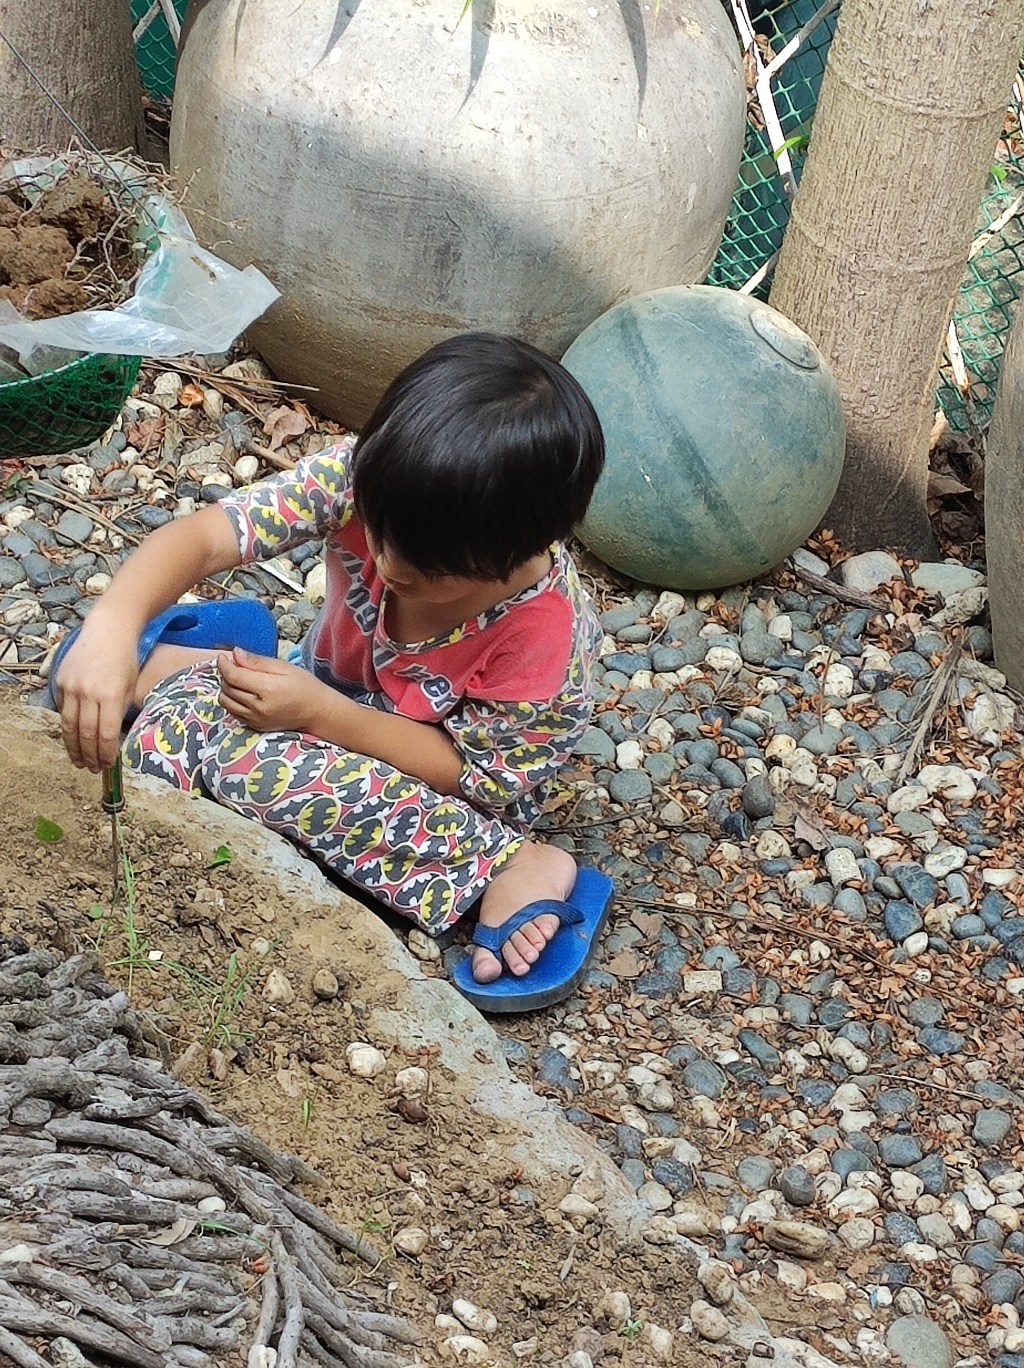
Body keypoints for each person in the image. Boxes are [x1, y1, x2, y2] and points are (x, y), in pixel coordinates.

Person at [54, 333, 612, 1007]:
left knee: (233, 759)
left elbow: (472, 774)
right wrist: (112, 626)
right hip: (317, 697)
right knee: (127, 718)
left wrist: (321, 713)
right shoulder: (381, 483)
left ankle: (507, 865)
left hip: (430, 778)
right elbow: (204, 537)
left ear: (507, 560)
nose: (382, 566)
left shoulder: (547, 637)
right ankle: (181, 667)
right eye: (374, 535)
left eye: (424, 575)